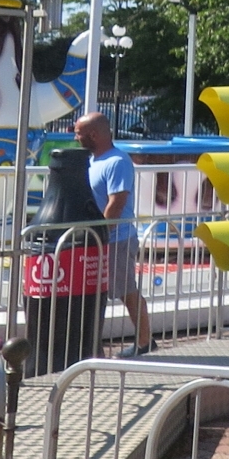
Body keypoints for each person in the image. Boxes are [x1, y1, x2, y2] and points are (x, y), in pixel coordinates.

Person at [75, 113, 152, 355]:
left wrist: (101, 234)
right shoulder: (92, 161)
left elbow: (116, 203)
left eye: (78, 133)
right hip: (97, 240)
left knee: (126, 290)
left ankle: (144, 342)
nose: (75, 137)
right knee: (96, 292)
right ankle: (91, 346)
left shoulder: (117, 161)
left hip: (116, 238)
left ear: (94, 135)